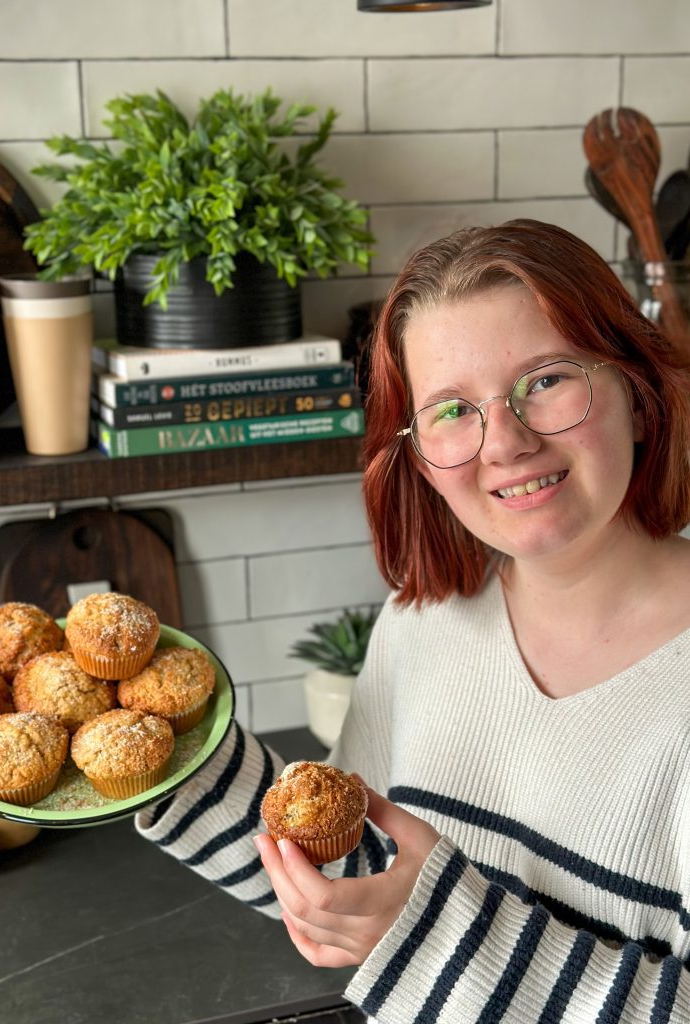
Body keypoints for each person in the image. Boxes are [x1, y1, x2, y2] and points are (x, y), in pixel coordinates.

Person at [136, 219, 690, 1022]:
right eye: (453, 410)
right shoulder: (423, 623)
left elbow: (422, 926)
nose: (504, 440)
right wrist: (168, 761)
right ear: (422, 458)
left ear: (637, 396)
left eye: (546, 380)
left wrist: (439, 934)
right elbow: (363, 882)